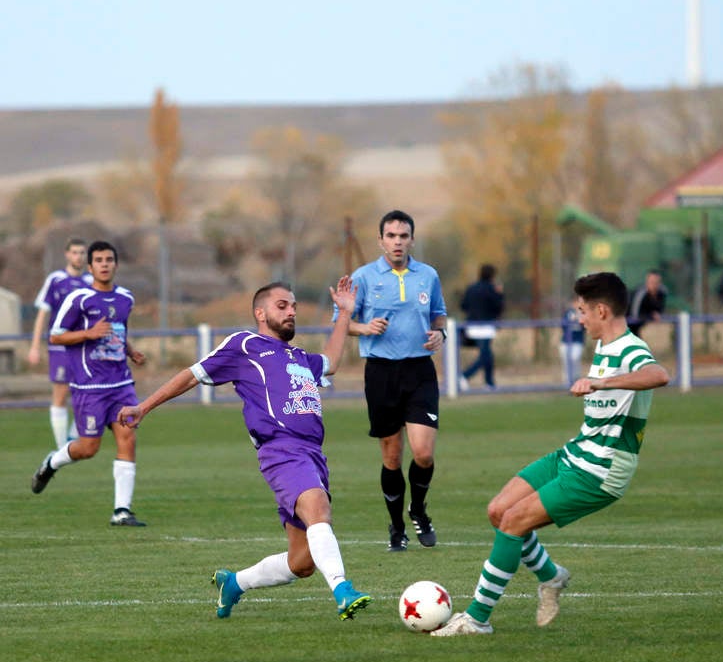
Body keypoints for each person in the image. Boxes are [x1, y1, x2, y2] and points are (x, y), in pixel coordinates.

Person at [115, 277, 372, 622]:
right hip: (281, 450)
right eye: (283, 306)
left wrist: (343, 313)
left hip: (312, 454)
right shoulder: (245, 344)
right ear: (260, 313)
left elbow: (331, 362)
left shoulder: (298, 356)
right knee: (318, 509)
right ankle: (343, 591)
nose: (291, 312)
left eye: (294, 306)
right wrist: (144, 407)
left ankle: (234, 583)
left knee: (302, 562)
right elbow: (192, 375)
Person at [432, 272, 669, 636]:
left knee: (514, 523)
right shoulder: (605, 345)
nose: (579, 318)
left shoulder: (631, 348)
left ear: (602, 311)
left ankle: (477, 619)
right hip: (577, 452)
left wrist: (602, 382)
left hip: (602, 470)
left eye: (582, 311)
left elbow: (659, 374)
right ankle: (552, 577)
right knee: (498, 511)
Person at [339, 209, 447, 552]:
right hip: (381, 372)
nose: (397, 242)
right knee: (391, 455)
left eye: (403, 236)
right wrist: (364, 327)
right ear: (380, 240)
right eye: (391, 236)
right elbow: (341, 322)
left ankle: (418, 509)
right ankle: (397, 526)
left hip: (419, 372)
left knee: (423, 453)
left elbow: (439, 315)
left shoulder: (427, 275)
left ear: (412, 240)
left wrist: (440, 334)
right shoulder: (364, 277)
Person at [30, 241, 147, 526]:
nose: (104, 264)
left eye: (109, 259)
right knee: (87, 448)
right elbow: (56, 336)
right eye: (99, 260)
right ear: (91, 266)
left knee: (127, 437)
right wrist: (89, 333)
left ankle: (122, 511)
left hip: (121, 383)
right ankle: (51, 463)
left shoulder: (125, 298)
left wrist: (130, 350)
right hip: (89, 387)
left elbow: (118, 330)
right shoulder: (79, 298)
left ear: (115, 264)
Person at [28, 237, 92, 447]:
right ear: (67, 254)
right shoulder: (56, 279)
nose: (78, 256)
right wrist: (35, 346)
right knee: (61, 394)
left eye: (82, 253)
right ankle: (60, 446)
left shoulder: (90, 282)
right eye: (75, 252)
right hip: (60, 347)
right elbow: (42, 314)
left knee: (87, 395)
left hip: (84, 347)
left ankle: (72, 438)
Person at [459, 264, 504, 390]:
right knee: (486, 356)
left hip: (471, 326)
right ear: (492, 275)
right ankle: (464, 376)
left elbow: (463, 306)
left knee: (487, 354)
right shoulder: (492, 289)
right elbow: (499, 307)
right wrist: (500, 294)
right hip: (486, 328)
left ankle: (490, 383)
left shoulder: (471, 288)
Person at [628, 269, 667, 337]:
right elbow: (635, 315)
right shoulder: (640, 294)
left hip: (639, 324)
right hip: (627, 321)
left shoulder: (662, 292)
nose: (654, 285)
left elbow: (659, 309)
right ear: (647, 282)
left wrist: (656, 314)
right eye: (651, 282)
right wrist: (651, 315)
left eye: (656, 282)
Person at [559, 298, 585, 385]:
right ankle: (567, 382)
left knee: (575, 358)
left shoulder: (583, 313)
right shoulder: (568, 312)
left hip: (577, 341)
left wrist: (578, 318)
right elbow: (562, 325)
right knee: (566, 361)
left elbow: (585, 327)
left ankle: (576, 378)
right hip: (566, 342)